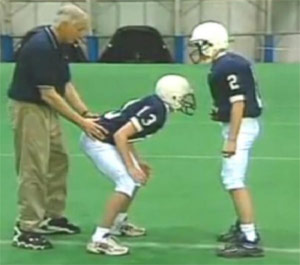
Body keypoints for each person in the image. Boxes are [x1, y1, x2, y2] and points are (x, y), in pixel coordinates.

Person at [7, 4, 107, 250]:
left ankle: (52, 215)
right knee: (34, 168)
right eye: (80, 30)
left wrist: (85, 111)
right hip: (30, 109)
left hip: (46, 109)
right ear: (67, 25)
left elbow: (65, 84)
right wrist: (82, 123)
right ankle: (27, 227)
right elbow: (49, 94)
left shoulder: (60, 45)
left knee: (58, 160)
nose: (82, 36)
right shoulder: (41, 47)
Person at [80, 74, 196, 256]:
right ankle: (100, 238)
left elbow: (127, 134)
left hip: (107, 138)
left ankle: (118, 222)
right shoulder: (156, 111)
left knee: (135, 178)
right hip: (99, 140)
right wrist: (131, 166)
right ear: (172, 96)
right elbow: (121, 135)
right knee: (127, 181)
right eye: (182, 96)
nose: (185, 100)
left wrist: (138, 162)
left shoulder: (154, 104)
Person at [189, 21, 264, 258]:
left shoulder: (227, 66)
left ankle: (250, 238)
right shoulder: (229, 62)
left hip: (241, 126)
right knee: (232, 178)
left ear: (212, 43)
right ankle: (243, 226)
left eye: (200, 45)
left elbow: (239, 102)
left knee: (233, 179)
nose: (197, 50)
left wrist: (232, 138)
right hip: (240, 124)